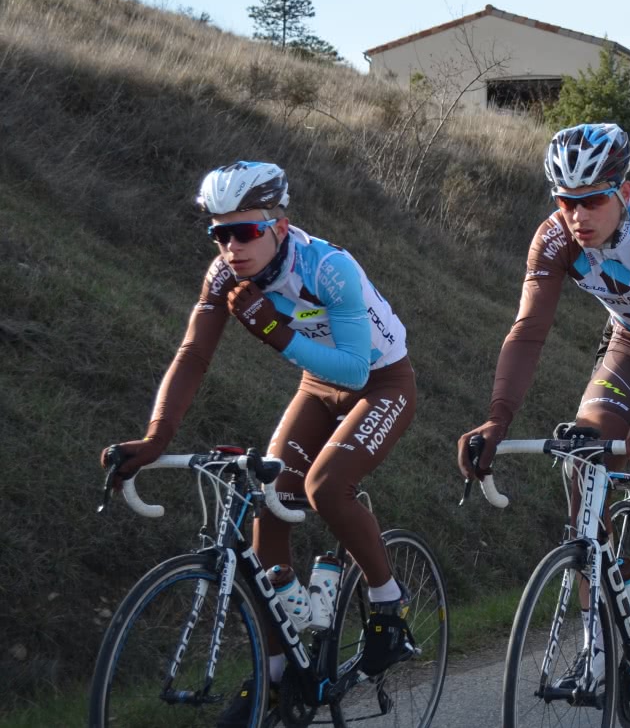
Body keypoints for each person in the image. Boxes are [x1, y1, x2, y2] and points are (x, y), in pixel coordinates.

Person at [100, 161, 418, 725]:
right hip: (317, 388)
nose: (231, 246)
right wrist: (156, 437)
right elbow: (193, 355)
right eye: (219, 233)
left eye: (244, 231)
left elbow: (350, 370)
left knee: (326, 487)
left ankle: (389, 607)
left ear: (279, 225)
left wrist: (272, 328)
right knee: (266, 505)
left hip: (380, 383)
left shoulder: (330, 267)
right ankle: (277, 673)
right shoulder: (224, 277)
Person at [457, 124, 630, 697]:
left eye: (591, 200)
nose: (577, 215)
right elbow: (528, 332)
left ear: (624, 191)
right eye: (564, 201)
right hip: (628, 349)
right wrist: (497, 418)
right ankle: (602, 635)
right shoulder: (554, 240)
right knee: (581, 461)